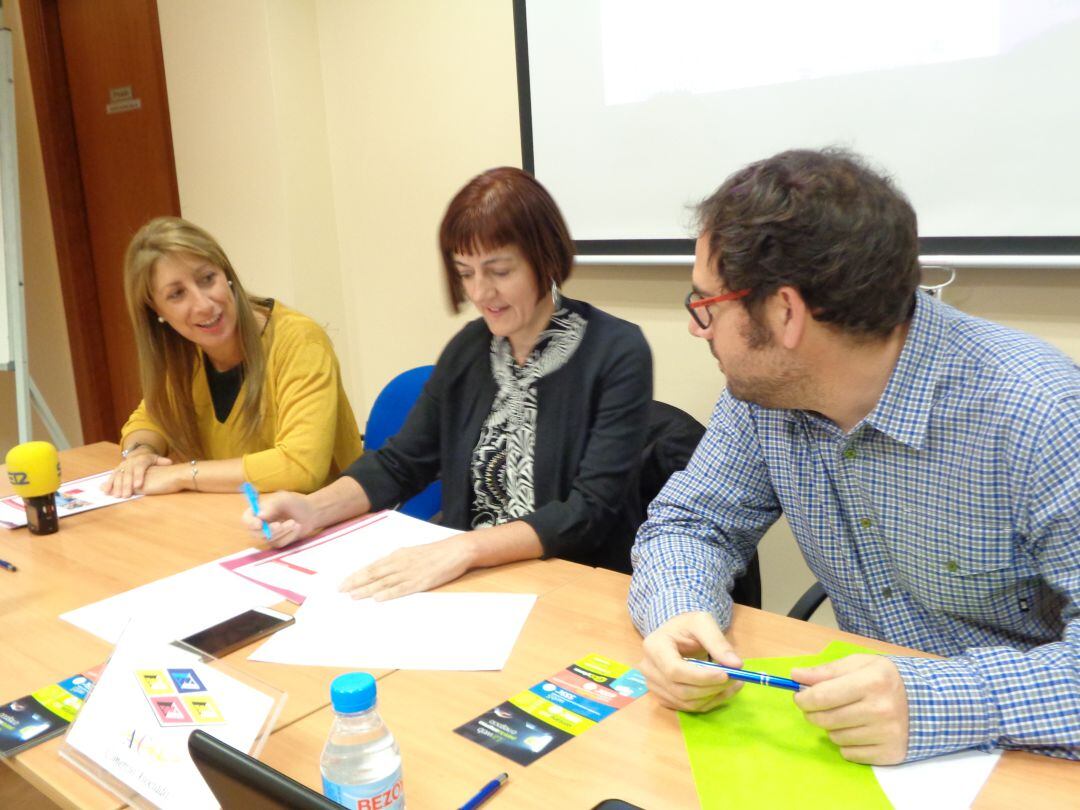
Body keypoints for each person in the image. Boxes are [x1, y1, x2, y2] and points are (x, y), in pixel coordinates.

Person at [629, 148, 1080, 765]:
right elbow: (692, 523)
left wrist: (938, 702)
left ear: (785, 312)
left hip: (1028, 761)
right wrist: (678, 613)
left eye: (707, 304)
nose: (696, 327)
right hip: (853, 750)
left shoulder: (1039, 413)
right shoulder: (767, 394)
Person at [245, 167, 653, 597]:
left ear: (545, 257)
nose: (480, 293)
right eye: (465, 273)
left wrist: (464, 549)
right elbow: (400, 463)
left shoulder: (617, 351)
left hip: (570, 586)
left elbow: (589, 511)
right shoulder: (470, 349)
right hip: (468, 582)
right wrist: (312, 508)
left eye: (498, 271)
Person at [104, 217, 363, 497]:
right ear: (156, 310)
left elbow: (300, 467)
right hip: (238, 517)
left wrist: (181, 474)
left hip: (325, 524)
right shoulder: (187, 351)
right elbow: (152, 419)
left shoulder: (300, 341)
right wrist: (140, 454)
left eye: (207, 279)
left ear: (226, 275)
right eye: (177, 294)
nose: (203, 304)